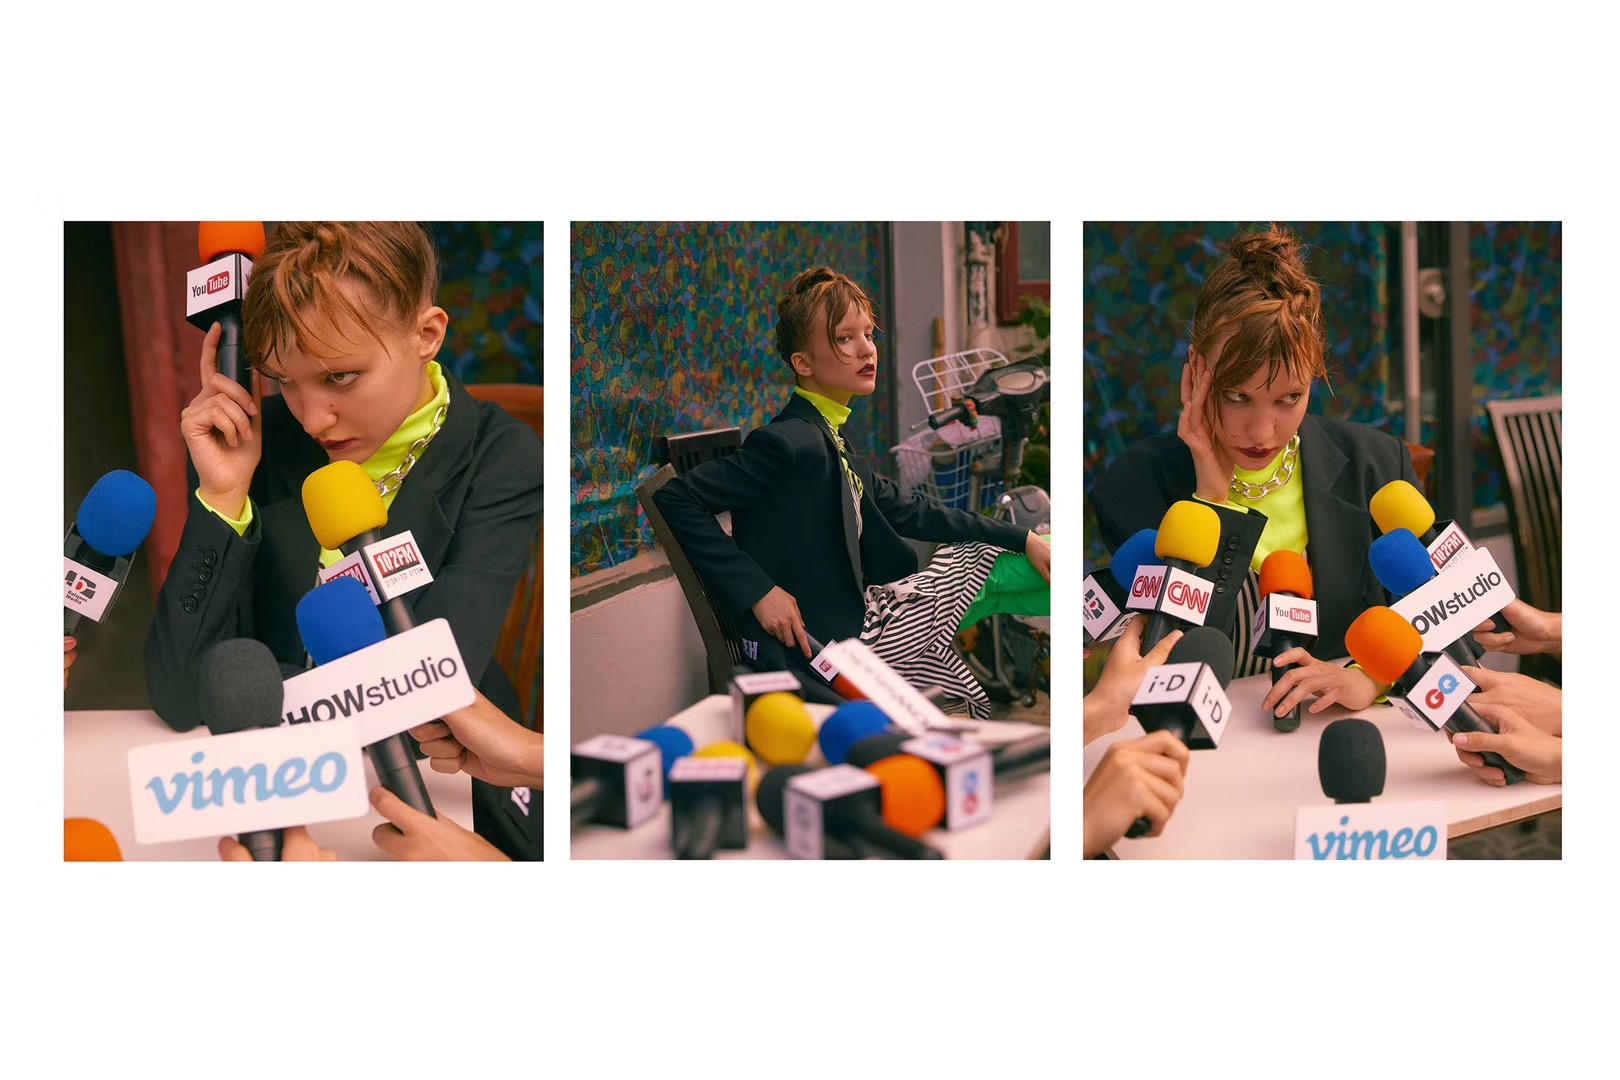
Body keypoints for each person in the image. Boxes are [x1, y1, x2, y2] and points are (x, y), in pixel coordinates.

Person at [145, 222, 543, 861]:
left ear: (426, 335)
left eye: (340, 377)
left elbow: (426, 702)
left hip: (437, 795)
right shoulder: (259, 441)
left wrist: (259, 695)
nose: (313, 418)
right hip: (285, 802)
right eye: (285, 380)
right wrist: (223, 495)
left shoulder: (502, 457)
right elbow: (178, 692)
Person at [652, 266, 1051, 718]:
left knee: (1011, 562)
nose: (866, 349)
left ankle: (1091, 620)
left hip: (860, 624)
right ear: (803, 364)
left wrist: (1022, 537)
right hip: (838, 648)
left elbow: (911, 509)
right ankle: (1101, 616)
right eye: (844, 339)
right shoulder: (790, 442)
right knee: (994, 568)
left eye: (868, 334)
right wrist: (759, 590)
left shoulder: (829, 436)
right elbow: (675, 497)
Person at [1090, 224, 1421, 720]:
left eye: (1289, 398)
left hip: (1342, 733)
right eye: (1237, 396)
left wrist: (1367, 678)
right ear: (1196, 371)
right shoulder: (1135, 486)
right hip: (1191, 749)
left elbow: (1445, 619)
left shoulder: (1376, 465)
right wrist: (1211, 497)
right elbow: (1170, 657)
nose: (1262, 431)